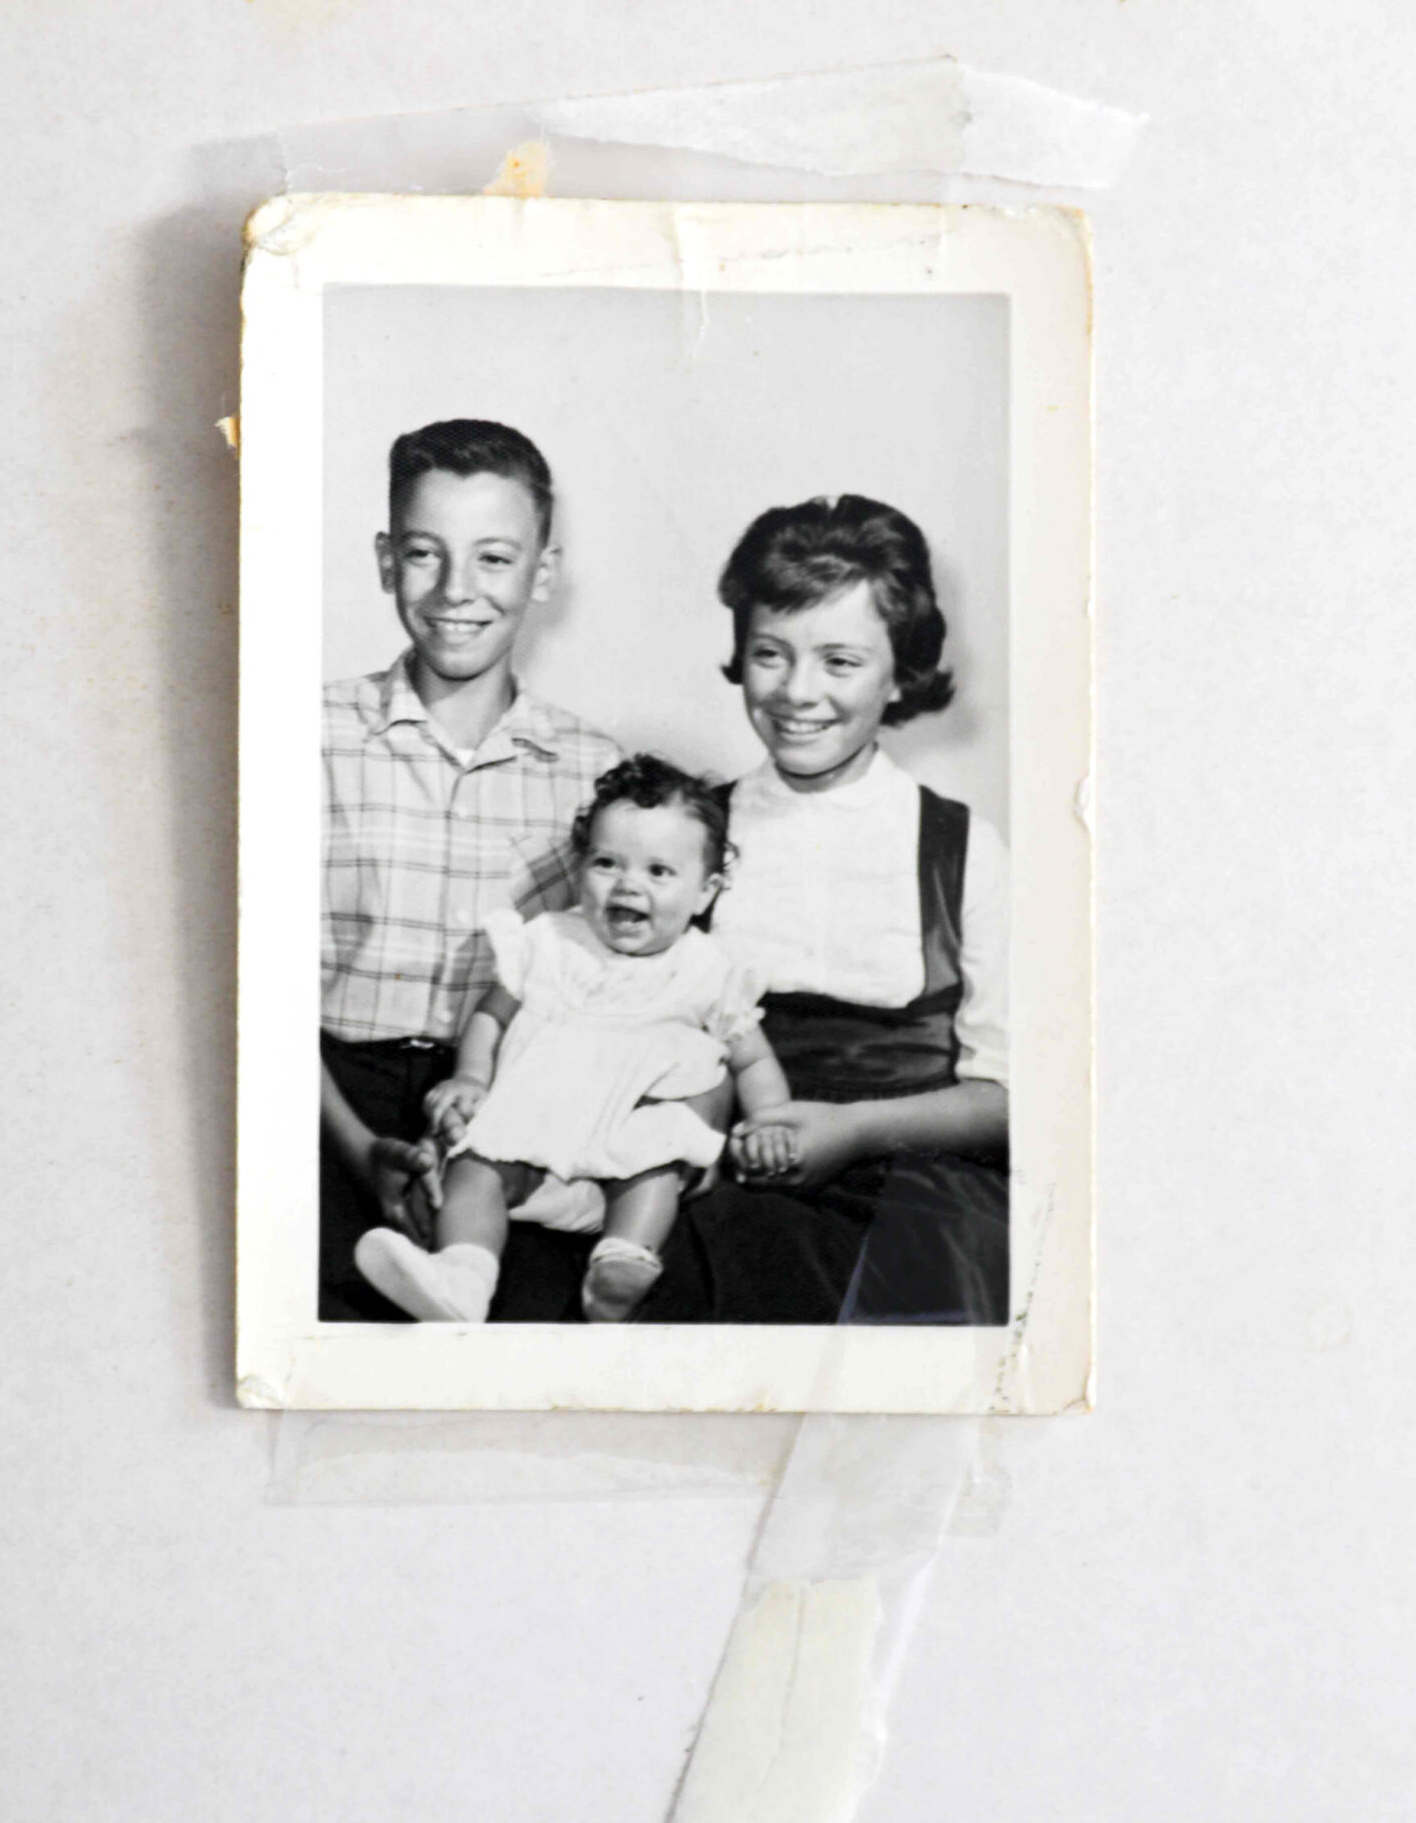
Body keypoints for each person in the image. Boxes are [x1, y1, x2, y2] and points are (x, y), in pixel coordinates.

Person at [653, 494, 1010, 1325]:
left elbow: (1006, 1094)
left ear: (901, 673)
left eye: (840, 662)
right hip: (716, 1172)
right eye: (771, 654)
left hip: (915, 1200)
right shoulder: (690, 832)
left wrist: (849, 1133)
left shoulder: (961, 848)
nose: (797, 692)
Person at [319, 419, 621, 1320]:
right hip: (328, 1102)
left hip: (510, 1114)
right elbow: (252, 994)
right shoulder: (305, 734)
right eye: (424, 553)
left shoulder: (595, 769)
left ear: (544, 572)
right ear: (384, 560)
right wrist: (357, 1145)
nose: (457, 591)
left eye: (494, 558)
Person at [353, 756, 792, 1324]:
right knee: (476, 1162)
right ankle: (462, 1279)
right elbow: (491, 1017)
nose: (628, 883)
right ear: (580, 867)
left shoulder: (707, 970)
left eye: (659, 872)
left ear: (705, 892)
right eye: (607, 862)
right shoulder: (549, 942)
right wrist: (470, 1077)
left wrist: (774, 1121)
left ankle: (621, 1264)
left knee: (660, 1156)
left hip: (621, 1162)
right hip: (530, 1137)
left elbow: (751, 1057)